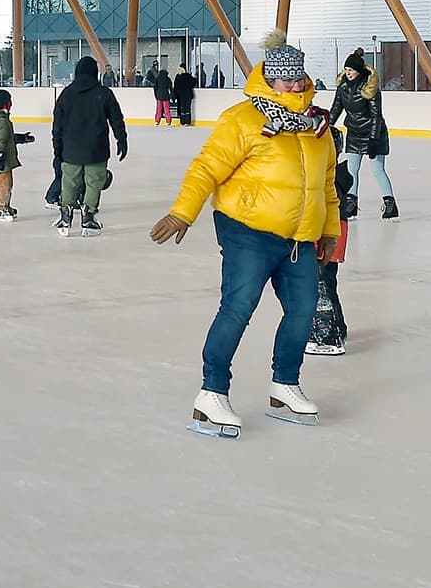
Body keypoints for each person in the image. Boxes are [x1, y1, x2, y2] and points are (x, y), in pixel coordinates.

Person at [149, 30, 338, 438]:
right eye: (284, 78)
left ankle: (284, 385)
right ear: (269, 78)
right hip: (247, 232)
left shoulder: (317, 126)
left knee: (304, 311)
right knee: (238, 308)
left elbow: (327, 185)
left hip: (299, 238)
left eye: (297, 77)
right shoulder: (244, 119)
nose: (293, 84)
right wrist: (184, 212)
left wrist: (328, 231)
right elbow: (207, 168)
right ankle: (211, 392)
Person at [50, 55, 127, 237]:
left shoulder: (66, 94)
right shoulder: (104, 93)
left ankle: (65, 217)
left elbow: (57, 125)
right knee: (93, 183)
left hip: (71, 149)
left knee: (69, 183)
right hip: (96, 149)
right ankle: (88, 218)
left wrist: (57, 149)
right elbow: (117, 119)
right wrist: (121, 140)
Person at [331, 48, 397, 220]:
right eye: (346, 70)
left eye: (351, 70)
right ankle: (351, 204)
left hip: (373, 133)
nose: (347, 73)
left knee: (377, 169)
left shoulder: (370, 88)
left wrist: (374, 140)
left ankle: (390, 204)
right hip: (354, 132)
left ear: (358, 71)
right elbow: (336, 109)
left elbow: (376, 116)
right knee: (352, 170)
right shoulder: (343, 86)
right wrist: (327, 126)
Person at [308, 131, 355, 357]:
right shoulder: (335, 176)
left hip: (328, 236)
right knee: (327, 282)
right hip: (333, 235)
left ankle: (329, 335)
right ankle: (338, 327)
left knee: (321, 283)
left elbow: (325, 210)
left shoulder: (328, 180)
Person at [0, 88, 34, 222]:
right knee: (4, 184)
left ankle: (5, 206)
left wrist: (21, 138)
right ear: (5, 104)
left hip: (1, 157)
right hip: (1, 159)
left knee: (7, 183)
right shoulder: (1, 121)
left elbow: (6, 137)